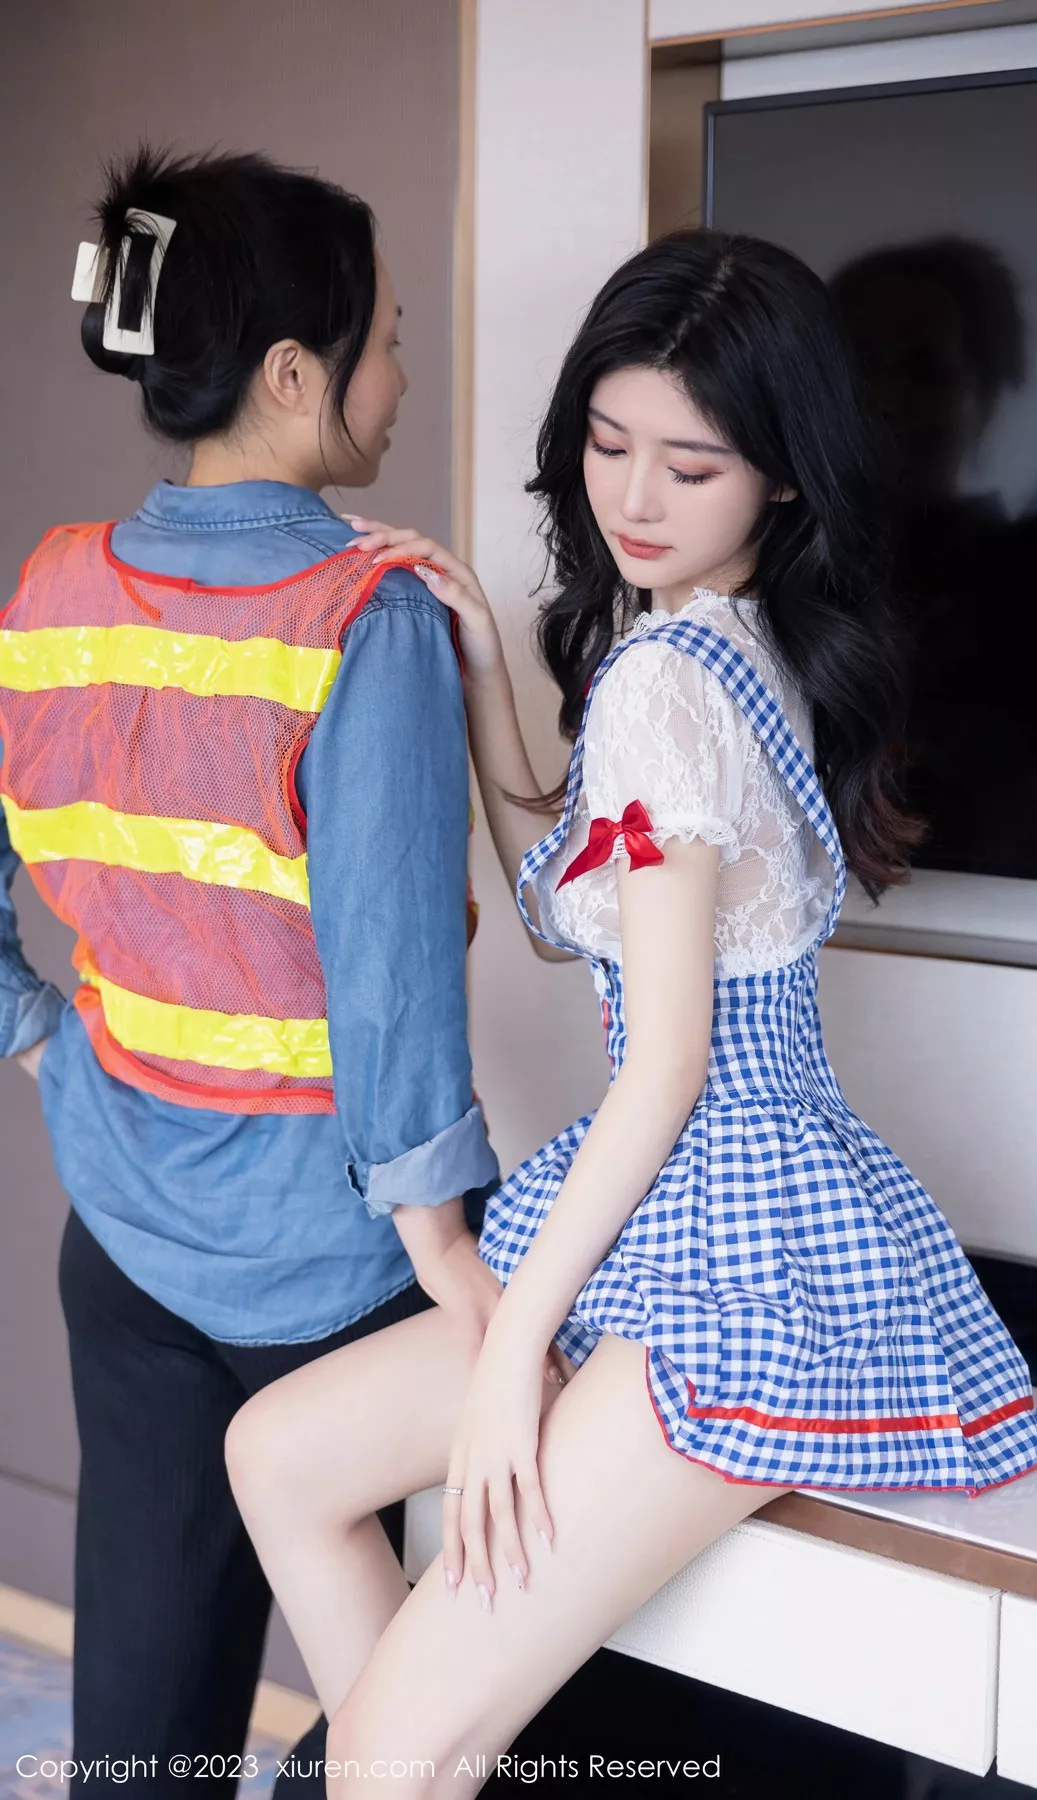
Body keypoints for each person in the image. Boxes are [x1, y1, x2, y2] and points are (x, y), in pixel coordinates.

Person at [225, 229, 1037, 1798]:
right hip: (724, 1197)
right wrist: (492, 678)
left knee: (384, 1749)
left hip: (722, 1224)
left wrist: (508, 1359)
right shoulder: (726, 650)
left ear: (784, 477)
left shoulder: (669, 679)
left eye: (691, 466)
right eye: (609, 445)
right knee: (278, 1457)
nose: (634, 497)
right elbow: (578, 910)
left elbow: (667, 1062)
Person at [0, 145, 538, 1800]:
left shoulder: (55, 586)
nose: (400, 377)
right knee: (421, 1723)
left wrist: (43, 1042)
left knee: (141, 1739)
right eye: (386, 342)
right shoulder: (364, 618)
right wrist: (456, 1261)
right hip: (337, 1274)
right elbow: (390, 986)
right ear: (295, 376)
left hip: (125, 1234)